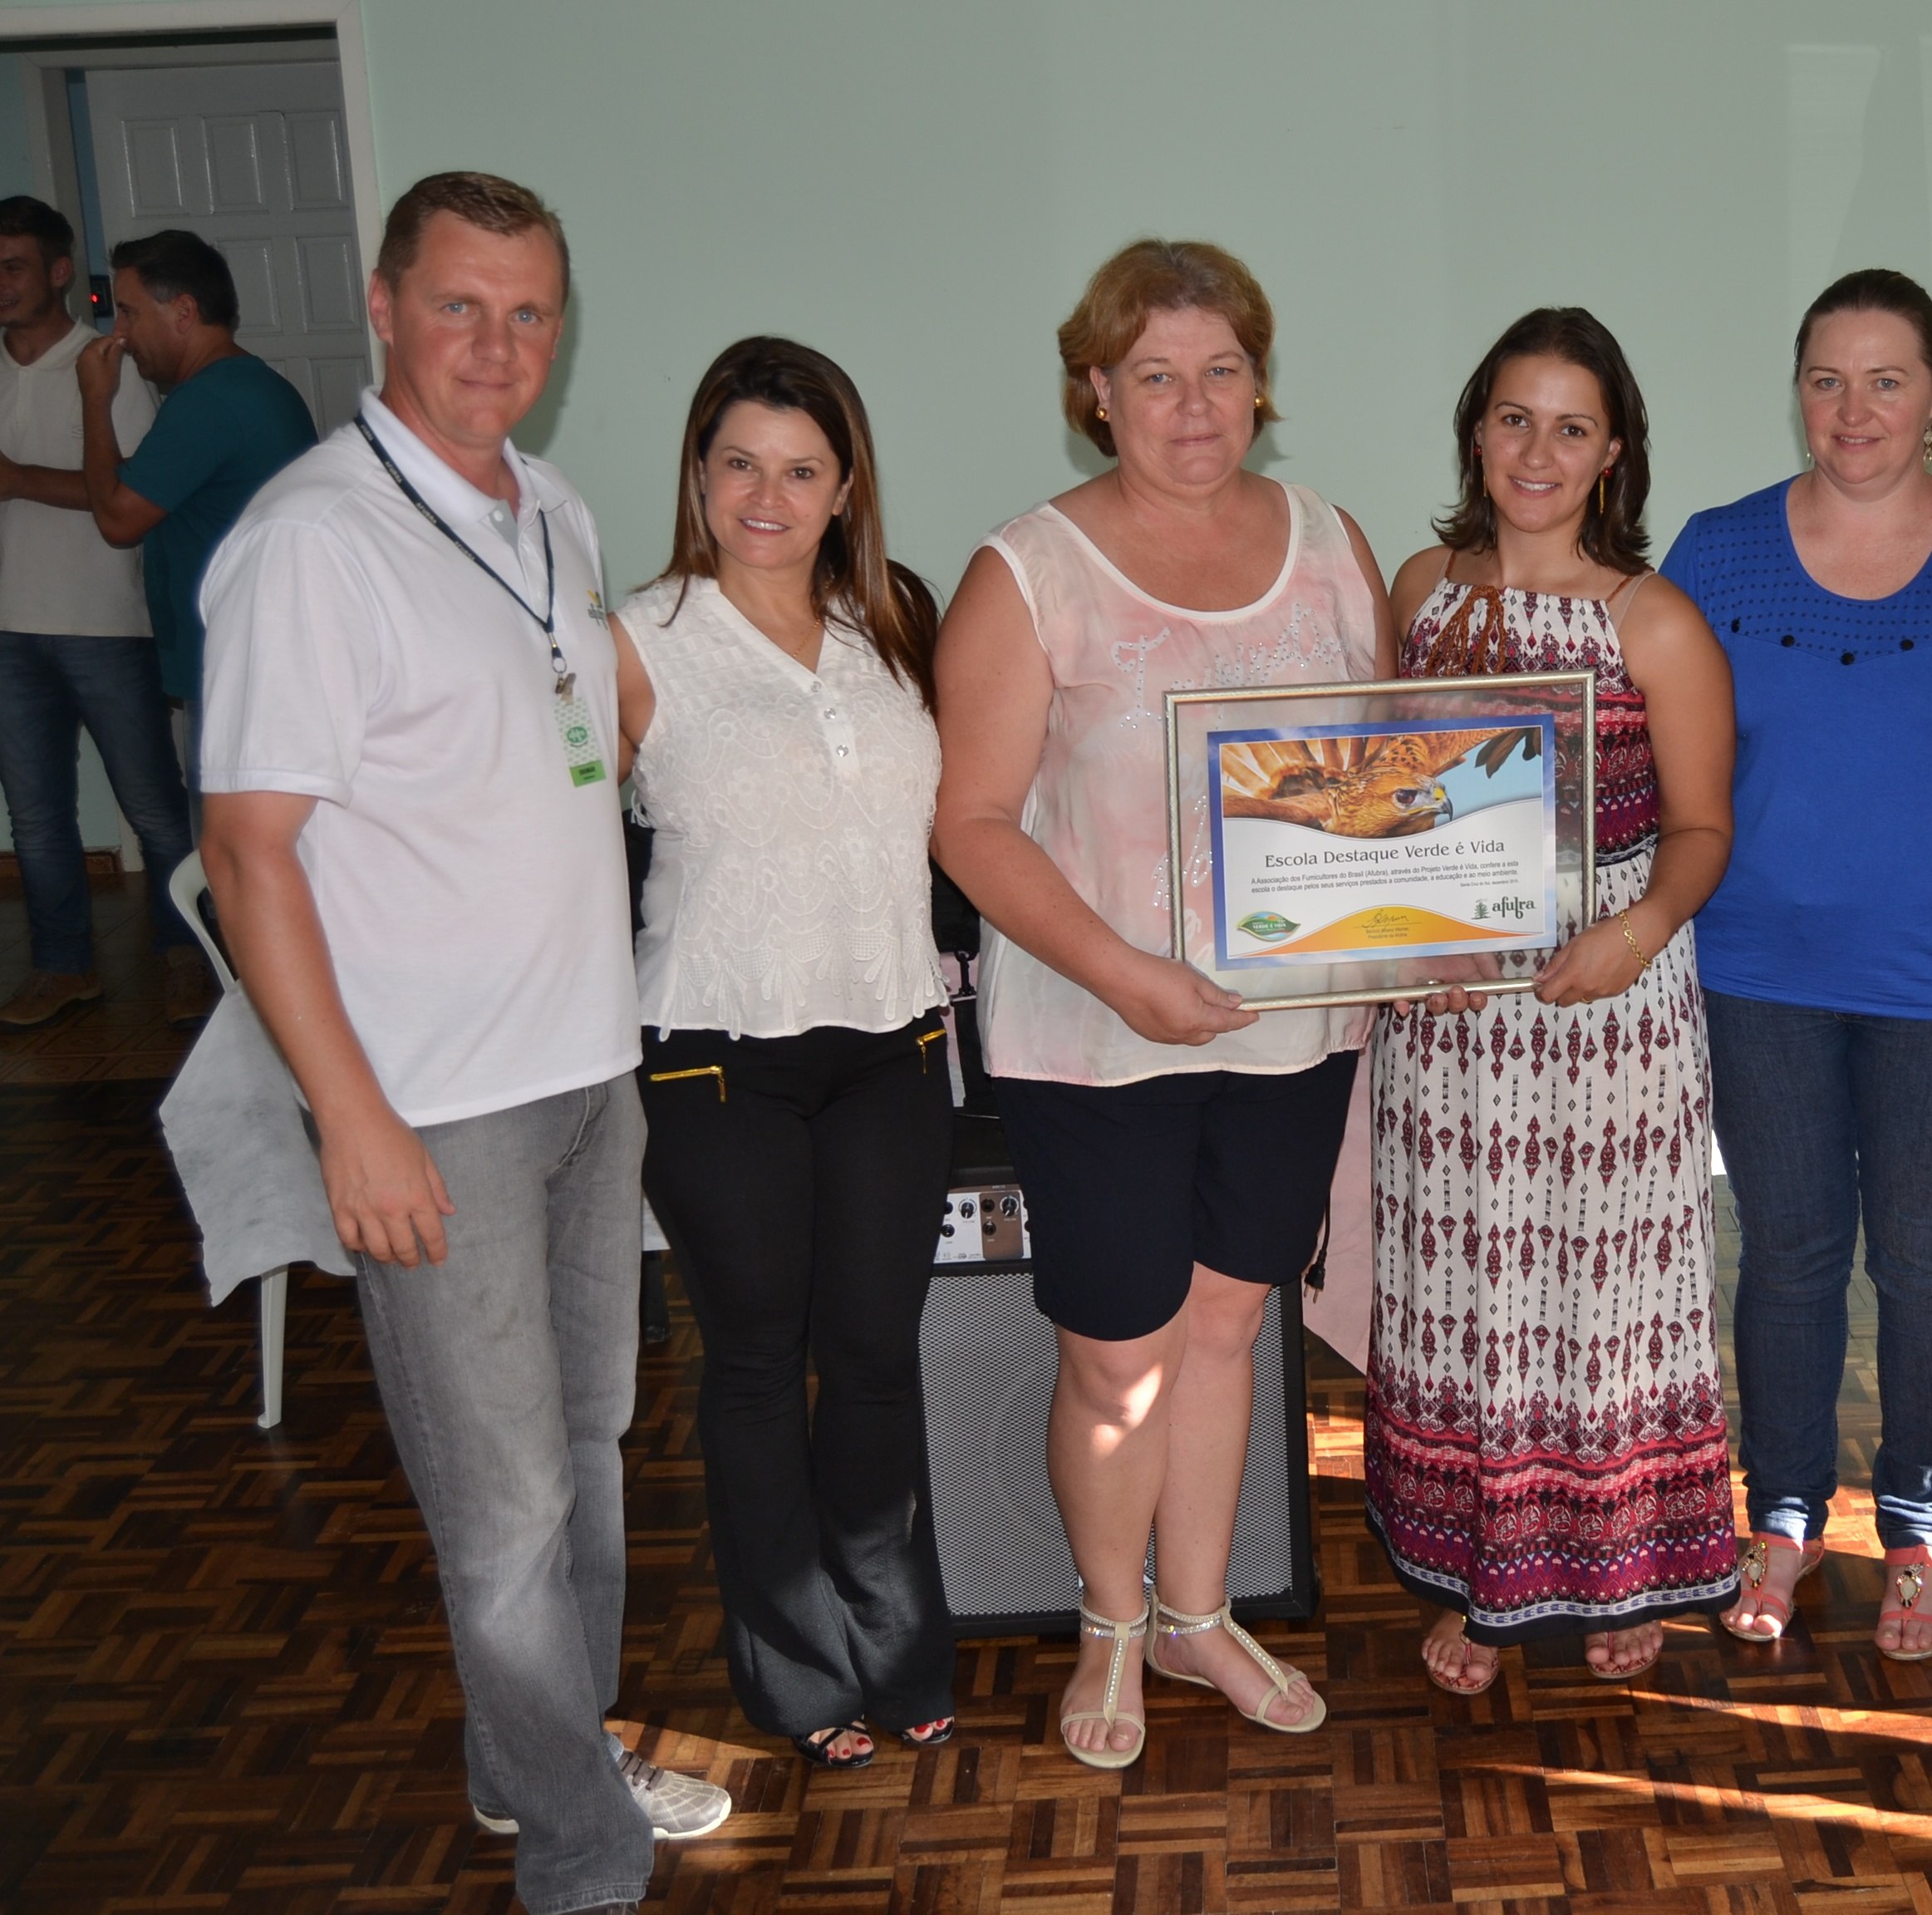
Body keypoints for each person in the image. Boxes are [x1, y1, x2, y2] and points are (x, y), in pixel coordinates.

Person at [199, 172, 729, 1915]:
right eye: (460, 306)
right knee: (498, 1516)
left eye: (530, 313)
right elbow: (247, 851)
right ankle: (579, 1858)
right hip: (440, 1110)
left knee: (585, 1464)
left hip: (586, 1075)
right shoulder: (310, 543)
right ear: (381, 302)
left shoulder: (551, 511)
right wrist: (349, 1119)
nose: (497, 346)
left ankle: (535, 1764)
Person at [934, 239, 1389, 1770]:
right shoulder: (1027, 571)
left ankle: (1199, 1613)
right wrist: (1129, 973)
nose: (1191, 405)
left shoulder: (1332, 543)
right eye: (1153, 375)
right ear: (1095, 392)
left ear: (1259, 382)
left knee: (1228, 1323)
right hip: (1093, 1037)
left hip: (1293, 1031)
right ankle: (1109, 1624)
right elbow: (974, 824)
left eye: (1219, 369)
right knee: (1115, 1351)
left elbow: (1379, 785)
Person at [1659, 268, 1932, 1661]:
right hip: (1755, 976)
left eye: (1887, 380)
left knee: (1927, 1260)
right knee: (1785, 1258)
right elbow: (1650, 767)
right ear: (1798, 389)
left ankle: (1920, 1526)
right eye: (1828, 380)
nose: (1855, 410)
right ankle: (1779, 1514)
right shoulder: (1714, 554)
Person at [1365, 309, 1739, 1695]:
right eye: (1514, 416)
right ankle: (1484, 1579)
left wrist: (1633, 932)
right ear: (1477, 429)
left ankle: (1618, 1569)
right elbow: (1376, 798)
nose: (1537, 448)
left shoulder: (1654, 617)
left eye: (1569, 425)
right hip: (1451, 1016)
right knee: (1468, 1289)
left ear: (1612, 452)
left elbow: (1703, 827)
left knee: (1603, 1289)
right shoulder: (1420, 589)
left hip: (1608, 1003)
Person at [612, 336, 956, 1771]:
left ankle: (900, 1640)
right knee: (757, 1361)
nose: (768, 493)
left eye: (800, 467)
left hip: (891, 1040)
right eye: (740, 461)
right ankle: (795, 1667)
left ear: (844, 483)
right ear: (698, 471)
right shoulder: (629, 639)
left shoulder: (896, 620)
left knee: (875, 1358)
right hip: (716, 1054)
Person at [0, 195, 206, 1030]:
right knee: (37, 814)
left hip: (107, 624)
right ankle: (62, 968)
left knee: (154, 806)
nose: (0, 283)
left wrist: (15, 478)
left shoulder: (106, 364)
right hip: (10, 628)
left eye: (13, 265)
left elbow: (122, 493)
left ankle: (188, 951)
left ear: (57, 271)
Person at [78, 227, 319, 857]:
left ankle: (233, 958)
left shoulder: (210, 401)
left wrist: (95, 402)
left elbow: (116, 518)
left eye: (129, 312)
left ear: (183, 311)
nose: (120, 334)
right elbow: (138, 488)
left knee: (229, 857)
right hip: (252, 657)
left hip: (237, 662)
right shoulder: (245, 388)